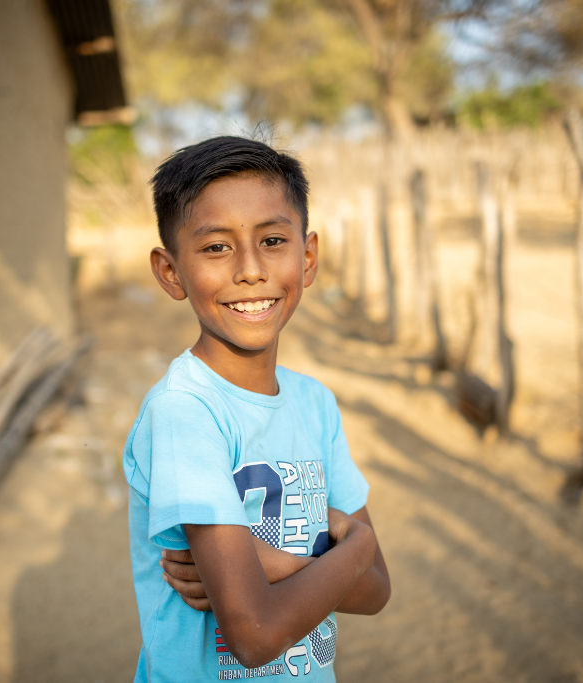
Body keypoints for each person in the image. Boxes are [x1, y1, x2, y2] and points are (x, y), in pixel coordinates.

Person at [122, 136, 390, 682]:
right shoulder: (186, 412)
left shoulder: (314, 404)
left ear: (307, 256)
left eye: (272, 240)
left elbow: (377, 590)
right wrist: (353, 546)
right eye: (216, 247)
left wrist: (275, 566)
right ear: (171, 272)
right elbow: (255, 636)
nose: (250, 270)